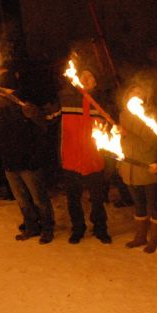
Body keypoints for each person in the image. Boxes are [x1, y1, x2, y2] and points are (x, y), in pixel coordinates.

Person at [0, 70, 54, 243]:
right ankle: (31, 226)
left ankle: (47, 228)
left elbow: (44, 127)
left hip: (29, 160)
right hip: (9, 160)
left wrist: (36, 115)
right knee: (21, 198)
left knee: (39, 198)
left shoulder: (26, 104)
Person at [58, 65, 111, 244]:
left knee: (97, 199)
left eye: (90, 76)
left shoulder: (102, 100)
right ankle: (78, 228)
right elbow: (48, 118)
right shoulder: (65, 98)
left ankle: (100, 228)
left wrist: (114, 128)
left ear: (95, 81)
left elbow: (111, 125)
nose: (87, 79)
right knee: (73, 199)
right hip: (71, 158)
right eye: (83, 76)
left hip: (93, 159)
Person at [118, 83, 157, 253]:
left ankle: (154, 238)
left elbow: (149, 142)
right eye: (132, 93)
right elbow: (124, 142)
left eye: (139, 94)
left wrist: (128, 132)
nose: (135, 97)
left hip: (147, 167)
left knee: (153, 205)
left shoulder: (151, 117)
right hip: (129, 168)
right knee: (139, 205)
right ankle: (140, 236)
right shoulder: (123, 115)